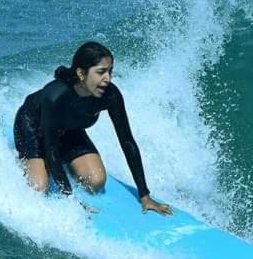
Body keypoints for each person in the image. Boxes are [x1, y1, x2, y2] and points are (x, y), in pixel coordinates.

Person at [13, 41, 172, 215]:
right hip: (34, 128)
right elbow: (50, 147)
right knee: (39, 188)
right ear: (81, 73)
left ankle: (58, 165)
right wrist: (70, 200)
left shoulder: (110, 95)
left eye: (110, 71)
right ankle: (36, 165)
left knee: (96, 181)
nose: (108, 79)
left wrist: (145, 195)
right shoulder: (55, 97)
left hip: (69, 130)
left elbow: (127, 141)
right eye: (101, 72)